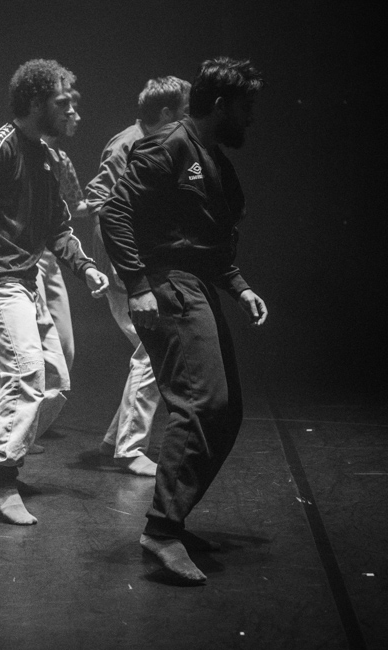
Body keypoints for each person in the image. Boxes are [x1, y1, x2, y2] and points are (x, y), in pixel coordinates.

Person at [100, 58, 267, 583]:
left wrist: (239, 286)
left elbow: (206, 241)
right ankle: (162, 529)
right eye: (245, 107)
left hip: (193, 283)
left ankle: (175, 518)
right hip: (167, 284)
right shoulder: (170, 145)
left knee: (226, 411)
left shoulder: (213, 160)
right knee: (202, 404)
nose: (251, 118)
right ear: (220, 105)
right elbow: (114, 212)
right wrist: (138, 286)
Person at [0, 59, 109, 526]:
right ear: (37, 102)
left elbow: (58, 225)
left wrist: (85, 267)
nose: (70, 109)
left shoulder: (45, 156)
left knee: (56, 383)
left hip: (28, 281)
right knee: (25, 377)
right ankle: (4, 479)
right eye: (61, 102)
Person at [87, 77, 191, 477]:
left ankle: (116, 440)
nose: (188, 120)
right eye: (184, 112)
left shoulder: (156, 144)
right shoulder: (127, 145)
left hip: (135, 269)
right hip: (124, 271)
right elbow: (102, 203)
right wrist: (121, 269)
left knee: (152, 353)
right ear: (165, 113)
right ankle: (129, 448)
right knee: (155, 351)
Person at [33, 89, 92, 447]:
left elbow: (76, 205)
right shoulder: (24, 151)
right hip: (25, 258)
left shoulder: (61, 159)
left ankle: (33, 422)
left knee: (65, 348)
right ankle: (21, 429)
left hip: (51, 256)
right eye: (67, 107)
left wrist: (113, 198)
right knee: (40, 350)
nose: (75, 116)